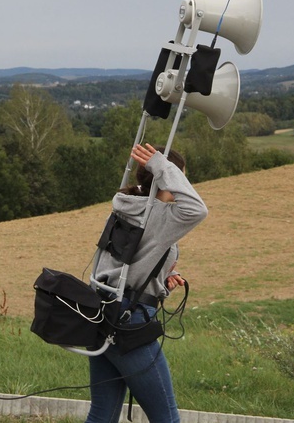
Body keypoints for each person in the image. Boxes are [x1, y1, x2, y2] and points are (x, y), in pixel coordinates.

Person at [86, 143, 208, 423]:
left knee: (102, 414)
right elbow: (198, 210)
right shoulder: (162, 214)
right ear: (169, 177)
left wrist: (158, 276)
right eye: (182, 177)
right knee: (167, 418)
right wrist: (164, 166)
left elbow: (123, 258)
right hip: (130, 321)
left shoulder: (126, 205)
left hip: (103, 311)